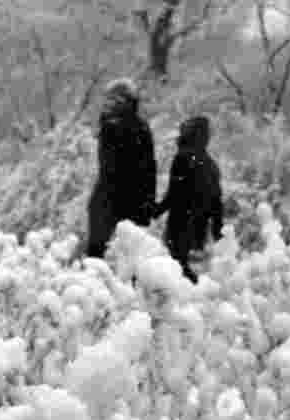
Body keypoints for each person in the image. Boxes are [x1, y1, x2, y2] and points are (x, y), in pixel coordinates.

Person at [84, 78, 158, 259]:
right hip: (128, 202)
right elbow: (149, 170)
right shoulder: (138, 127)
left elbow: (143, 169)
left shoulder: (115, 127)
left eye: (114, 101)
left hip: (116, 202)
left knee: (101, 257)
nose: (109, 105)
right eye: (109, 101)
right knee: (125, 258)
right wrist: (148, 203)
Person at [153, 115, 224, 283]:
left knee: (176, 272)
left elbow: (173, 195)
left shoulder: (183, 158)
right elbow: (217, 204)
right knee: (191, 275)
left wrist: (152, 212)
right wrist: (217, 232)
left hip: (179, 225)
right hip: (199, 231)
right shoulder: (210, 164)